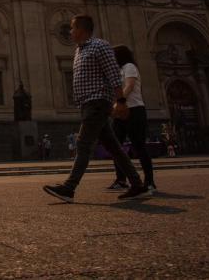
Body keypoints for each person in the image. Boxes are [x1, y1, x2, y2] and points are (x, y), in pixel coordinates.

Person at [42, 15, 150, 203]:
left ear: (82, 29)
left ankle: (69, 188)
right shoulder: (79, 50)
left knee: (83, 145)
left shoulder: (100, 46)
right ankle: (137, 185)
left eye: (72, 28)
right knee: (114, 147)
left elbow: (113, 75)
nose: (70, 31)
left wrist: (121, 101)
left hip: (97, 102)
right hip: (87, 104)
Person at [108, 45, 156, 193]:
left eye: (113, 55)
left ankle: (149, 182)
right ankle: (121, 180)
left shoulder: (129, 67)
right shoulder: (118, 70)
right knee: (116, 146)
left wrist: (120, 101)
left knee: (139, 146)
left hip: (134, 109)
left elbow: (129, 85)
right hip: (121, 112)